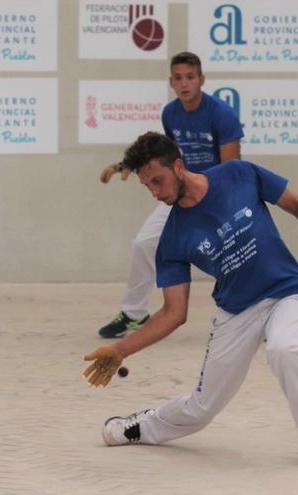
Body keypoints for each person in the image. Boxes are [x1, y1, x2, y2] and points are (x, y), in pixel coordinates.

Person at [83, 132, 298, 467]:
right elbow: (174, 313)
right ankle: (142, 426)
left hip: (287, 291)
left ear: (178, 165)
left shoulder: (238, 174)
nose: (156, 193)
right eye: (148, 187)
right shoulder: (172, 239)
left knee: (284, 348)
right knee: (203, 407)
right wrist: (119, 350)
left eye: (158, 181)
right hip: (236, 312)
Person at [96, 52, 244, 338]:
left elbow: (233, 168)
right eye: (178, 78)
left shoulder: (221, 114)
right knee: (143, 244)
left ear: (201, 79)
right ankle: (134, 314)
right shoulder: (170, 114)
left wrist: (220, 205)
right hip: (179, 193)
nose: (184, 83)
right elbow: (164, 157)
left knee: (239, 254)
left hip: (216, 196)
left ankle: (259, 314)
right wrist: (126, 165)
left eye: (190, 77)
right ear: (171, 82)